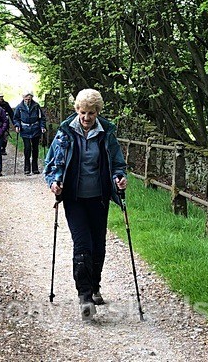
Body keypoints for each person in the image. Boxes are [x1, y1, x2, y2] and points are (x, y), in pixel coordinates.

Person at [43, 88, 127, 321]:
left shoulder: (106, 134)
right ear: (76, 110)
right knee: (83, 245)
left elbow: (118, 164)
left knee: (98, 246)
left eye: (91, 113)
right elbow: (51, 165)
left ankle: (95, 285)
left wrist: (119, 178)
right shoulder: (65, 133)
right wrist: (54, 183)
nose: (87, 117)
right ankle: (85, 297)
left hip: (99, 197)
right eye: (83, 112)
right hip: (74, 198)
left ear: (98, 112)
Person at [13, 91, 46, 175]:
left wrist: (42, 127)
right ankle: (27, 168)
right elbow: (16, 118)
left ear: (32, 98)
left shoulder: (36, 106)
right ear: (23, 98)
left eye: (29, 99)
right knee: (27, 148)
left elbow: (42, 117)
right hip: (25, 129)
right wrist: (17, 126)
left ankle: (35, 168)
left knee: (35, 149)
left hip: (35, 129)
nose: (28, 100)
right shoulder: (19, 107)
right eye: (26, 99)